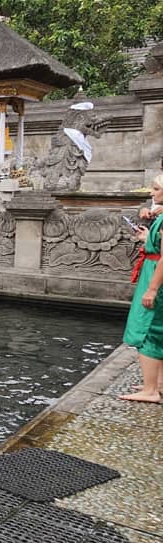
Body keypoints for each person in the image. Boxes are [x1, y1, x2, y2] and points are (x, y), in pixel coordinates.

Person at [120, 173, 163, 403]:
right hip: (154, 270)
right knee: (159, 329)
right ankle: (157, 383)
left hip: (156, 277)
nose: (151, 193)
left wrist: (152, 289)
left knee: (147, 329)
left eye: (155, 189)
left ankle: (150, 390)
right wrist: (147, 238)